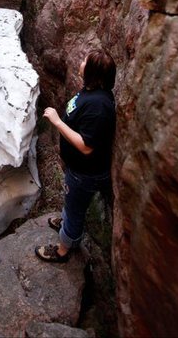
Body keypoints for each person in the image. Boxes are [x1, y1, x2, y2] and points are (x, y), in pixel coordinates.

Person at [35, 49, 116, 263]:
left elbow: (87, 146)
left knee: (74, 211)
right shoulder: (92, 91)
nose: (81, 62)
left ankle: (63, 250)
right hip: (77, 171)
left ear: (94, 74)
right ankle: (66, 224)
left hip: (85, 173)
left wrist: (57, 122)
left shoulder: (99, 106)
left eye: (85, 61)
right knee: (71, 202)